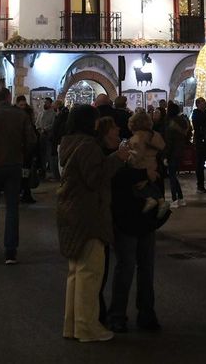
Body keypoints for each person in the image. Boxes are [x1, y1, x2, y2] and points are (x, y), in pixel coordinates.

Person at [57, 106, 131, 342]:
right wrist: (116, 159)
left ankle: (72, 325)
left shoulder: (68, 143)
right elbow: (95, 178)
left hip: (71, 212)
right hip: (88, 215)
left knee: (76, 272)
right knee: (90, 273)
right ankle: (88, 327)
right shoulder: (88, 146)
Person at [106, 124, 163, 333]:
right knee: (137, 267)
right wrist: (145, 175)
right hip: (135, 216)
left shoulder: (126, 152)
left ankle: (127, 315)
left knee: (134, 267)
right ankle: (134, 314)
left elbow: (119, 182)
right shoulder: (123, 156)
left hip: (135, 216)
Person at [0, 86, 38, 262]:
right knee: (12, 208)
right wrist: (21, 153)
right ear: (9, 97)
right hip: (14, 164)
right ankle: (11, 251)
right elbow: (32, 140)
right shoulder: (20, 115)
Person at [125, 108, 172, 218]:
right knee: (151, 185)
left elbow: (137, 154)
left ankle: (149, 200)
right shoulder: (154, 135)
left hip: (141, 165)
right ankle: (160, 201)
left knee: (139, 186)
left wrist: (128, 161)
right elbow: (162, 147)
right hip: (154, 164)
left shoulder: (137, 137)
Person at [161, 102, 188, 206]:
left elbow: (169, 142)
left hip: (172, 153)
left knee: (172, 176)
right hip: (180, 151)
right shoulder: (182, 122)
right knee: (173, 175)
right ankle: (180, 198)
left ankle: (174, 199)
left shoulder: (170, 124)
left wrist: (166, 155)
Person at [191, 97, 206, 191]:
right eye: (202, 103)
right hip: (200, 141)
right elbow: (201, 119)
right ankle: (200, 185)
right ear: (198, 104)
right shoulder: (196, 113)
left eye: (204, 102)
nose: (204, 104)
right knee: (200, 163)